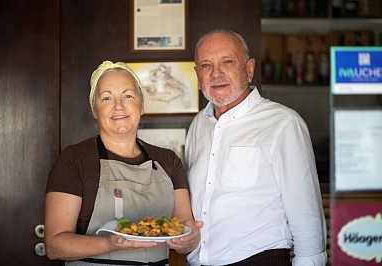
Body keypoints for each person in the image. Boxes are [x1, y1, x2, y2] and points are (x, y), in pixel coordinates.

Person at [184, 29, 327, 266]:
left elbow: (307, 217)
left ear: (249, 69)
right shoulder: (199, 125)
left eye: (227, 62)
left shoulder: (283, 123)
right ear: (197, 73)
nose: (216, 73)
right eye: (206, 65)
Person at [44, 61, 201, 265]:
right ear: (95, 110)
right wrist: (111, 243)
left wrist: (189, 240)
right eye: (107, 98)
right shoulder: (74, 160)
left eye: (128, 96)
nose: (119, 106)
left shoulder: (168, 160)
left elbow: (184, 228)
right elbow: (55, 245)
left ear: (141, 105)